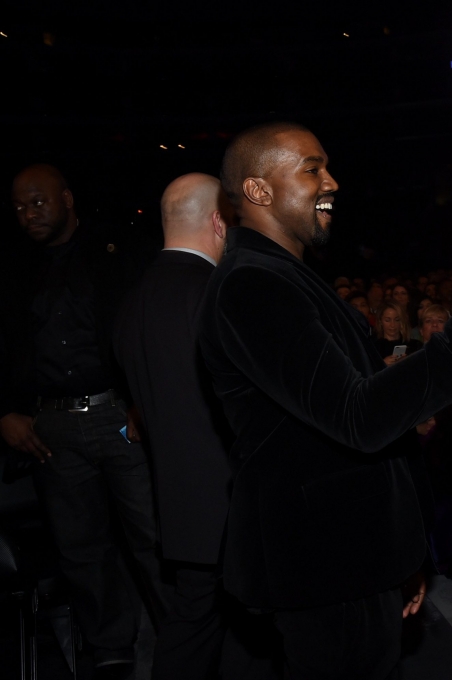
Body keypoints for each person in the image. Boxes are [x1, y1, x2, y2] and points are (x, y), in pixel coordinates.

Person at [198, 121, 452, 680]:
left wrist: (401, 553)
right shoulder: (252, 285)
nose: (333, 182)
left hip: (351, 557)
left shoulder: (287, 277)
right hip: (322, 565)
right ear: (258, 190)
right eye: (312, 168)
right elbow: (360, 416)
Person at [0, 164, 167, 679]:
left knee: (152, 536)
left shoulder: (118, 252)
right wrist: (3, 411)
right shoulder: (12, 268)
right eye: (21, 206)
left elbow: (148, 326)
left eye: (39, 202)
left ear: (67, 199)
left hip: (118, 413)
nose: (29, 213)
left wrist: (143, 400)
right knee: (81, 547)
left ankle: (179, 637)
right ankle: (110, 647)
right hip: (51, 427)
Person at [114, 173, 272, 679]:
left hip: (179, 509)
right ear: (219, 221)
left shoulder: (130, 304)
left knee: (202, 630)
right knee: (243, 635)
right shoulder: (216, 294)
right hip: (234, 504)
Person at [374, 300, 421, 365]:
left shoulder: (415, 346)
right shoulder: (373, 348)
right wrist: (382, 364)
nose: (392, 325)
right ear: (380, 321)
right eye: (387, 320)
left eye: (397, 320)